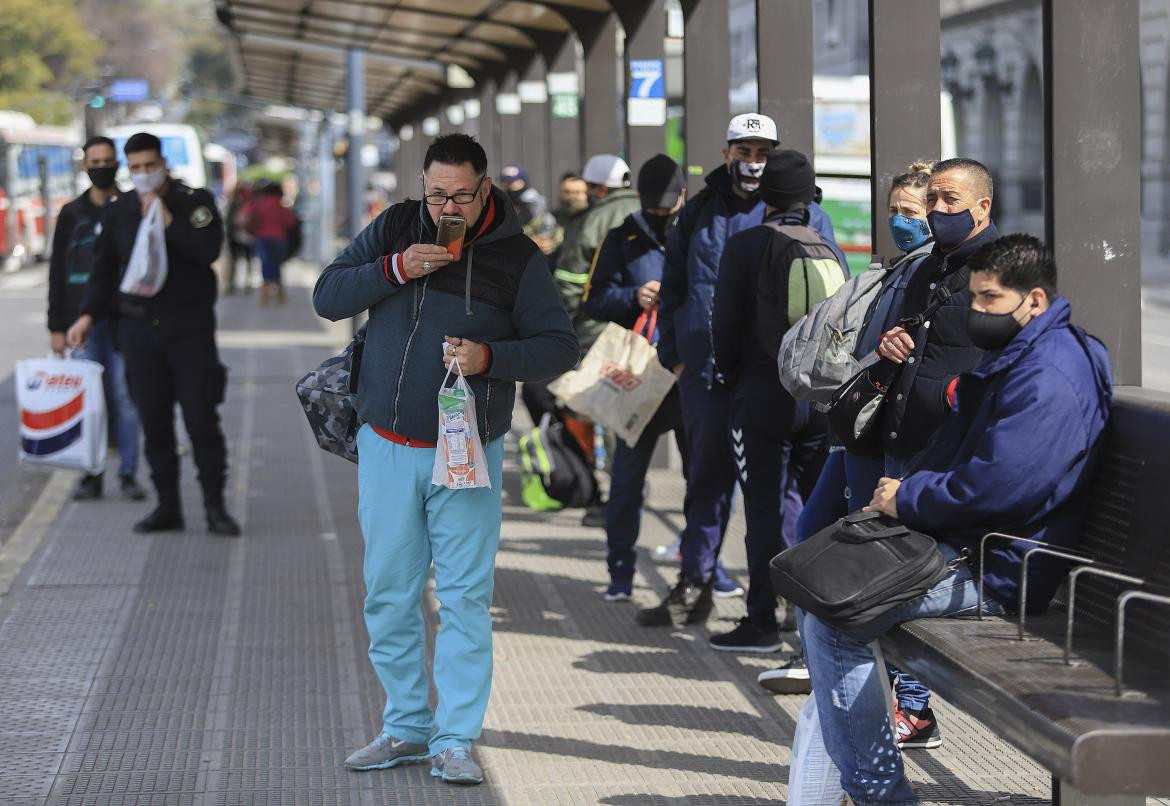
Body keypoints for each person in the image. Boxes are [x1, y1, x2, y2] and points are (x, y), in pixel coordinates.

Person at [791, 233, 1112, 804]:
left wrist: (907, 498)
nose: (977, 313)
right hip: (974, 543)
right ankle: (863, 786)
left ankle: (878, 795)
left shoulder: (1049, 376)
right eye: (975, 299)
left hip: (1000, 567)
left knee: (835, 618)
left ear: (1033, 301)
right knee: (822, 582)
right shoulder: (1028, 354)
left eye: (989, 301)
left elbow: (1002, 485)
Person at [312, 133, 578, 785]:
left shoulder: (517, 258)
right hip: (387, 445)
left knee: (462, 597)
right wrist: (397, 268)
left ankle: (455, 737)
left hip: (468, 452)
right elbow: (327, 296)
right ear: (421, 188)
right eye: (437, 194)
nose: (447, 207)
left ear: (485, 188)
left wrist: (492, 358)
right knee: (389, 593)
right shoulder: (398, 226)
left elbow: (559, 347)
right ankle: (405, 725)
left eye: (460, 194)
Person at [639, 113, 843, 628]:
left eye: (762, 152)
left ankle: (783, 593)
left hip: (774, 382)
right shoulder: (699, 212)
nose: (753, 162)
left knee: (782, 490)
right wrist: (677, 356)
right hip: (707, 376)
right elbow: (675, 285)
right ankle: (696, 581)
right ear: (726, 152)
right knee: (704, 481)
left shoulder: (809, 217)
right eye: (745, 151)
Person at [759, 162, 936, 699]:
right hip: (857, 430)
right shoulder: (897, 268)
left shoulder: (929, 272)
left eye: (912, 212)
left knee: (878, 560)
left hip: (884, 436)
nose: (900, 222)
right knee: (816, 534)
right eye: (894, 212)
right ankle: (827, 657)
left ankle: (909, 698)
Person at [66, 132, 240, 537]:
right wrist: (87, 315)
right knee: (154, 421)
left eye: (150, 166)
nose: (144, 174)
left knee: (200, 419)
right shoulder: (120, 210)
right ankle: (168, 506)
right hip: (139, 329)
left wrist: (169, 223)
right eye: (136, 168)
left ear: (163, 163)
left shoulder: (193, 201)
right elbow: (104, 270)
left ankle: (214, 505)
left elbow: (209, 251)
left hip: (188, 329)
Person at [709, 149, 841, 652]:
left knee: (762, 511)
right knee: (818, 512)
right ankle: (819, 624)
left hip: (762, 396)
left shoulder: (744, 246)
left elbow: (723, 327)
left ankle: (762, 620)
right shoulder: (827, 247)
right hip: (820, 403)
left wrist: (734, 378)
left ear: (765, 193)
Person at [581, 154, 690, 601]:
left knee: (703, 477)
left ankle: (699, 564)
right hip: (638, 375)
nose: (662, 215)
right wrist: (634, 295)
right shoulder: (621, 236)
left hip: (686, 374)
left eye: (669, 207)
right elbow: (594, 300)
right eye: (654, 208)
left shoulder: (698, 231)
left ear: (683, 196)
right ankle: (620, 570)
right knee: (626, 480)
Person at [877, 158, 1001, 478]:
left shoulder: (1003, 272)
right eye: (931, 199)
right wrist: (891, 342)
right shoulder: (926, 269)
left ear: (982, 207)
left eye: (951, 199)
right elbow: (912, 337)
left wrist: (955, 395)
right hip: (903, 443)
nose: (938, 209)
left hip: (954, 454)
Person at [47, 135, 146, 502]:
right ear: (84, 166)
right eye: (95, 162)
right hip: (80, 326)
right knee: (89, 402)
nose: (102, 168)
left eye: (108, 161)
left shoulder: (132, 207)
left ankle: (128, 473)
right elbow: (57, 272)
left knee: (124, 397)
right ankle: (91, 475)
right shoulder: (71, 214)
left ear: (117, 164)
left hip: (123, 321)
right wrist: (56, 326)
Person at [242, 182, 297, 304]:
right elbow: (290, 222)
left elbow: (246, 216)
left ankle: (265, 294)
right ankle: (279, 294)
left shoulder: (257, 204)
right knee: (276, 263)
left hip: (262, 238)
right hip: (279, 238)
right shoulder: (281, 206)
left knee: (266, 262)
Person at [224, 183, 255, 294]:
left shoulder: (251, 204)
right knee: (234, 261)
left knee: (245, 261)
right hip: (236, 236)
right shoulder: (235, 204)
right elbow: (228, 220)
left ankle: (246, 284)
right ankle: (232, 284)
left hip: (247, 237)